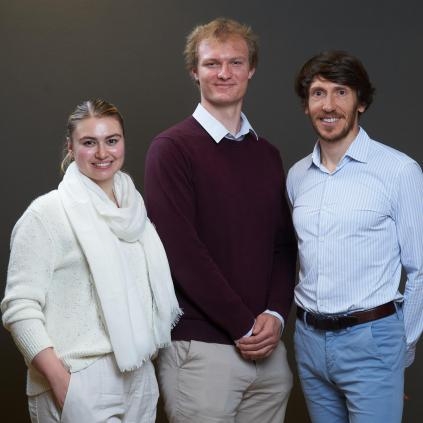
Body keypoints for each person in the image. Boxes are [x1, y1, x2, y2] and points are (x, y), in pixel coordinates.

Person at [144, 17, 297, 423]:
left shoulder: (267, 154)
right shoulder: (172, 149)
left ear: (251, 70)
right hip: (201, 351)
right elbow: (181, 252)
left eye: (235, 62)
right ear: (194, 72)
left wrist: (276, 315)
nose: (224, 73)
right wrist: (242, 325)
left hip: (269, 355)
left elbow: (284, 246)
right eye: (212, 63)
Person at [1, 99, 181, 423]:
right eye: (88, 142)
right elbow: (19, 308)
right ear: (70, 147)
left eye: (111, 140)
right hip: (79, 374)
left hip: (138, 375)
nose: (102, 153)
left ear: (123, 142)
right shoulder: (47, 214)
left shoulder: (134, 213)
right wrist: (61, 382)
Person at [287, 50, 423, 423]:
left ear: (360, 102)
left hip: (372, 340)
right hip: (309, 341)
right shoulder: (297, 176)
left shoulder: (399, 171)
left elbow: (420, 270)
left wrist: (400, 348)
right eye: (318, 93)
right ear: (306, 105)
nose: (328, 105)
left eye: (341, 92)